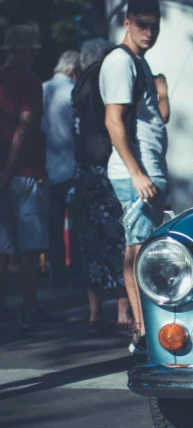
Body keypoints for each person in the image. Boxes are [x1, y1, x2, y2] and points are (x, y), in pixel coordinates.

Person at [100, 0, 170, 354]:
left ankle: (144, 331)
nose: (149, 32)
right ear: (126, 23)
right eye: (142, 24)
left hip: (145, 172)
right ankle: (143, 333)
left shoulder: (139, 62)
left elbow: (156, 119)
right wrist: (137, 172)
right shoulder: (120, 62)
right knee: (139, 252)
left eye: (154, 25)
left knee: (142, 249)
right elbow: (113, 120)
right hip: (135, 175)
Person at [72, 38, 134, 335]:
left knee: (90, 241)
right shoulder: (104, 80)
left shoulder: (80, 83)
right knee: (118, 237)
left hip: (84, 168)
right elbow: (115, 121)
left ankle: (95, 313)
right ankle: (123, 311)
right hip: (106, 165)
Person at [0, 25, 57, 328]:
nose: (34, 57)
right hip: (25, 173)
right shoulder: (30, 80)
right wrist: (9, 170)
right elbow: (25, 128)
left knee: (2, 244)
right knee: (30, 245)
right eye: (32, 52)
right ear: (24, 52)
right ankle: (30, 309)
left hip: (4, 173)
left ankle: (3, 308)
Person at [42, 50, 80, 290]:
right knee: (76, 224)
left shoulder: (42, 88)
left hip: (45, 166)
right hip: (71, 166)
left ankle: (57, 274)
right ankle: (75, 272)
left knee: (52, 225)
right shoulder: (73, 91)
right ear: (75, 70)